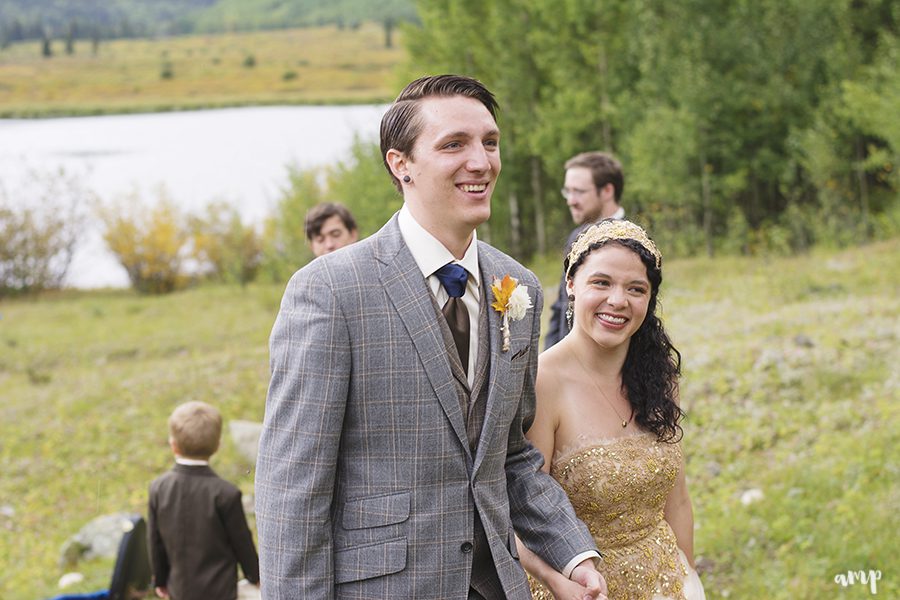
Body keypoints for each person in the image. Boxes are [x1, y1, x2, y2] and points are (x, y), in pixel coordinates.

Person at [255, 74, 607, 599]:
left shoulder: (519, 288)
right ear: (402, 165)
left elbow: (510, 455)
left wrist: (572, 552)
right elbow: (294, 492)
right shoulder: (329, 291)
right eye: (454, 145)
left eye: (490, 142)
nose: (481, 162)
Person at [520, 219, 706, 600]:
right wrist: (560, 585)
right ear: (571, 285)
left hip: (666, 583)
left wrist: (686, 580)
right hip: (581, 589)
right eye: (601, 283)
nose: (618, 301)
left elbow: (679, 501)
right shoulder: (542, 383)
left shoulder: (659, 377)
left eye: (635, 289)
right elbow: (521, 513)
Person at [148, 401, 260, 600]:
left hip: (179, 590)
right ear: (217, 445)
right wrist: (255, 575)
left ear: (173, 446)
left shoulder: (158, 487)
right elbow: (241, 541)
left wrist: (161, 581)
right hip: (221, 591)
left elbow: (155, 542)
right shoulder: (226, 493)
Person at [545, 152, 625, 350]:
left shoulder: (632, 244)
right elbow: (561, 306)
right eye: (568, 191)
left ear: (607, 191)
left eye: (579, 192)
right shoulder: (576, 236)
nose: (570, 201)